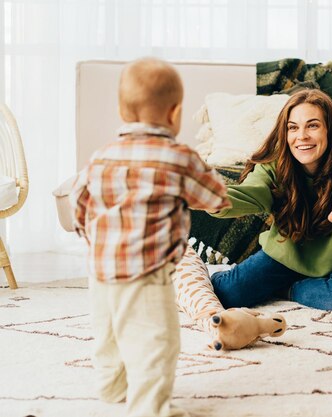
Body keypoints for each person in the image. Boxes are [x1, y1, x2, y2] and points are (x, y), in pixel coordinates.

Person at [69, 57, 230, 417]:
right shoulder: (178, 158)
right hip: (148, 272)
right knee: (156, 341)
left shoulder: (101, 158)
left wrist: (94, 240)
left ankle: (112, 388)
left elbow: (79, 204)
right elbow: (216, 199)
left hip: (100, 271)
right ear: (174, 114)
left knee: (108, 335)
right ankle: (149, 409)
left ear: (122, 111)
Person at [208, 89, 332, 311]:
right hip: (285, 257)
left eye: (313, 125)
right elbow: (250, 192)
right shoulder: (276, 163)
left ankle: (286, 289)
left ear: (329, 129)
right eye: (293, 128)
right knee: (227, 293)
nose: (302, 136)